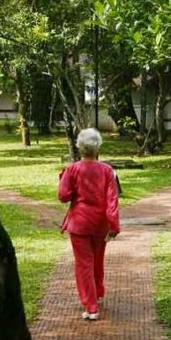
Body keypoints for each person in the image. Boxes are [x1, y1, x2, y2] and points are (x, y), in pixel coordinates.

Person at [58, 128, 120, 321]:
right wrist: (114, 226)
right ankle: (97, 293)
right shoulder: (107, 170)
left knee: (84, 264)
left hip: (79, 223)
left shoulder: (73, 169)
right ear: (97, 146)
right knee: (97, 260)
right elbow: (112, 200)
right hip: (100, 223)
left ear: (79, 146)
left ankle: (91, 306)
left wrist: (64, 181)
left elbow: (63, 196)